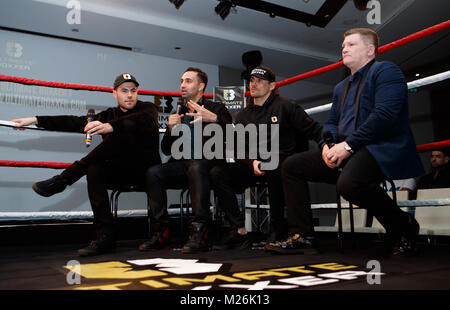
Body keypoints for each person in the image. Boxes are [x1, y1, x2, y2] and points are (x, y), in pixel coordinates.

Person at [266, 28, 425, 255]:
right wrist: (326, 146)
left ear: (370, 50)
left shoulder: (386, 70)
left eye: (351, 44)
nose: (344, 48)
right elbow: (331, 122)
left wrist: (349, 145)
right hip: (346, 150)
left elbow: (385, 115)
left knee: (349, 184)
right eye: (343, 45)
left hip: (378, 147)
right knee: (291, 166)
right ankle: (304, 235)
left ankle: (403, 225)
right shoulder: (342, 87)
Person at [11, 73, 161, 256]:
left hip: (145, 171)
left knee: (117, 136)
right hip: (121, 171)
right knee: (94, 168)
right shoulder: (107, 115)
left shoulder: (148, 108)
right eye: (124, 91)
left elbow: (144, 120)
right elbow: (74, 121)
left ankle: (64, 179)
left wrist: (111, 126)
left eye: (133, 90)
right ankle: (105, 236)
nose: (129, 95)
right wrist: (36, 119)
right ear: (115, 93)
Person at [209, 65, 323, 249]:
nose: (253, 84)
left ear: (272, 86)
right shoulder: (243, 115)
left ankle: (277, 228)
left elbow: (314, 130)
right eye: (251, 80)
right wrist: (252, 162)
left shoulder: (286, 106)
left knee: (275, 167)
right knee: (217, 172)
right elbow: (236, 147)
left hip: (282, 162)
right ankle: (238, 229)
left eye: (259, 81)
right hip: (253, 164)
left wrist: (328, 146)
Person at [138, 67, 233, 254]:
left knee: (196, 166)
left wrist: (213, 118)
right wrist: (172, 130)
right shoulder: (179, 109)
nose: (182, 85)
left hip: (208, 163)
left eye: (188, 81)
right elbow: (166, 149)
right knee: (153, 172)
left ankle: (200, 230)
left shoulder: (215, 108)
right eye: (181, 81)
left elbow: (232, 134)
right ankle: (162, 230)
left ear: (201, 86)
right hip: (183, 164)